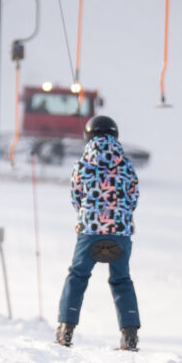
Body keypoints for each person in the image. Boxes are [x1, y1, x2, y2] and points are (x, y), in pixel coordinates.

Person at [56, 115, 141, 350]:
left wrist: (88, 216)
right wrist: (120, 216)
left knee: (77, 276)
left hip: (90, 231)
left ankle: (66, 329)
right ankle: (130, 334)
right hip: (120, 233)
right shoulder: (126, 164)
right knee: (121, 279)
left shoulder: (82, 164)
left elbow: (76, 197)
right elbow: (133, 197)